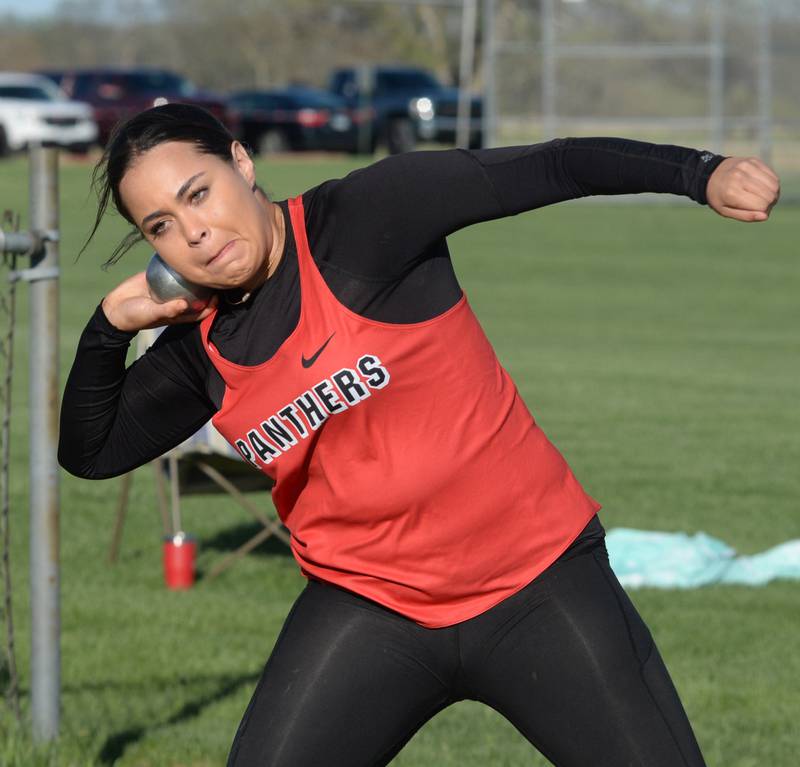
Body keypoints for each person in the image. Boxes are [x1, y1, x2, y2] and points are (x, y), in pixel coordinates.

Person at [59, 103, 780, 767]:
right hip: (369, 608)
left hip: (535, 581)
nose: (193, 232)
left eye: (198, 193)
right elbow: (91, 452)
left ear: (242, 165)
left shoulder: (366, 219)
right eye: (159, 226)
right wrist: (109, 326)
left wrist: (700, 174)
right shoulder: (199, 346)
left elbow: (556, 165)